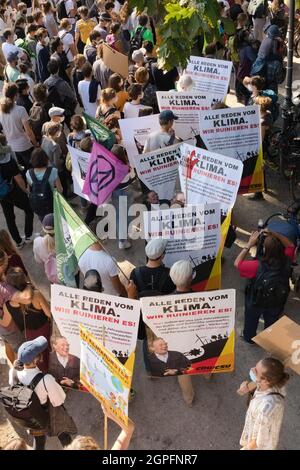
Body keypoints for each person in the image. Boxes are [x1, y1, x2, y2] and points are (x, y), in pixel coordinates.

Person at [8, 336, 77, 450]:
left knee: (39, 441)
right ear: (36, 359)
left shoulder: (13, 371)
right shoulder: (46, 380)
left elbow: (13, 385)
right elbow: (59, 400)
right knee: (64, 436)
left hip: (31, 418)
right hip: (47, 416)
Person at [234, 229, 294, 343]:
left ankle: (249, 337)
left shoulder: (256, 266)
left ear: (265, 250)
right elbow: (290, 244)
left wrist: (249, 244)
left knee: (251, 320)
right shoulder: (287, 259)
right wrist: (275, 233)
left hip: (256, 301)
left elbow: (237, 263)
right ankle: (269, 340)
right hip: (276, 301)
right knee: (272, 322)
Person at [4, 267, 52, 371]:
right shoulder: (36, 295)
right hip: (44, 329)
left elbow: (7, 323)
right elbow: (49, 314)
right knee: (47, 352)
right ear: (24, 279)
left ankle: (40, 372)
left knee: (35, 354)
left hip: (29, 333)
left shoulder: (8, 303)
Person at [239, 357, 289, 450]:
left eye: (256, 371)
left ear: (265, 380)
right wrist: (248, 387)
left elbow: (257, 442)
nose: (253, 369)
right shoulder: (273, 383)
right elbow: (258, 385)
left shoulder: (266, 410)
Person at [0, 250, 33, 364]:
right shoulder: (3, 289)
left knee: (7, 343)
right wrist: (27, 283)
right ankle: (23, 373)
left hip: (3, 326)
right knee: (23, 350)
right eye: (5, 262)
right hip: (9, 327)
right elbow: (27, 298)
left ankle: (15, 369)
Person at [44, 59, 77, 127]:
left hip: (54, 112)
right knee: (73, 127)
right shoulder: (63, 83)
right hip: (65, 110)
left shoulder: (45, 83)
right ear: (58, 69)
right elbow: (72, 96)